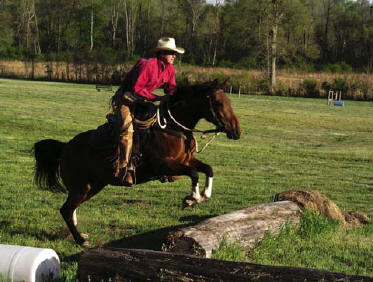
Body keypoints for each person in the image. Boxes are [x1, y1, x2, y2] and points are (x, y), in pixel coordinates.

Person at [111, 37, 185, 186]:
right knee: (127, 129)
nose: (174, 56)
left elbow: (171, 88)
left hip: (144, 102)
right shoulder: (148, 65)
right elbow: (137, 89)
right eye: (171, 53)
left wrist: (178, 95)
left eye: (175, 53)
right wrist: (158, 97)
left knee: (161, 125)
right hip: (126, 100)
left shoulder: (169, 69)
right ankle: (124, 168)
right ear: (162, 53)